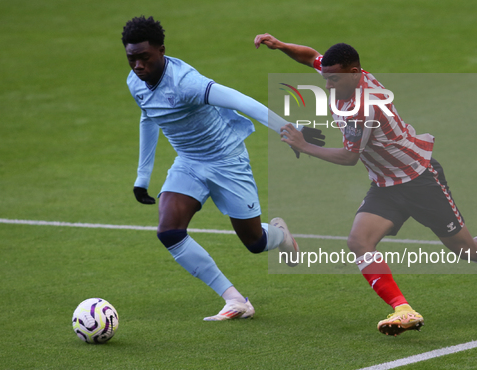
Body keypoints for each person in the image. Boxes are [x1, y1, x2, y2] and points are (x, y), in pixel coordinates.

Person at [254, 33, 477, 336]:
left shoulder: (363, 107)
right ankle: (403, 309)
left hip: (420, 179)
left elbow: (349, 158)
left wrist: (303, 144)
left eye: (333, 80)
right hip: (386, 185)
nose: (327, 85)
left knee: (463, 248)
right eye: (325, 77)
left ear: (353, 73)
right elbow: (311, 56)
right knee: (359, 241)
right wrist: (282, 46)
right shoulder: (345, 75)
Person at [121, 16, 325, 321]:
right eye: (131, 59)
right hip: (189, 162)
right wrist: (142, 177)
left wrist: (291, 131)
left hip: (227, 161)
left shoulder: (187, 83)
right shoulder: (135, 82)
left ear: (161, 51)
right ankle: (235, 300)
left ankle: (280, 235)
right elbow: (148, 116)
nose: (138, 66)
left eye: (144, 58)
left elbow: (243, 102)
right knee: (169, 231)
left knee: (254, 242)